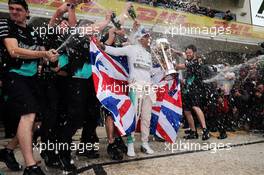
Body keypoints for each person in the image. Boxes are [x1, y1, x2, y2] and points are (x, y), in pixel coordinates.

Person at [0, 0, 58, 174]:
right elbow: (14, 51)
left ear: (27, 12)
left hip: (33, 80)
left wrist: (51, 57)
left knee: (34, 123)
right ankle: (30, 165)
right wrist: (43, 53)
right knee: (28, 115)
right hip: (14, 77)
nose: (14, 12)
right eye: (11, 9)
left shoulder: (33, 31)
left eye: (19, 9)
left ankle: (8, 150)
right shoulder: (5, 24)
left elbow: (42, 53)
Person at [99, 27, 155, 157]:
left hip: (148, 88)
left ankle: (144, 143)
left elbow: (150, 72)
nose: (148, 39)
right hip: (135, 88)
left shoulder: (148, 54)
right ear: (140, 38)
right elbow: (115, 51)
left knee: (147, 118)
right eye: (146, 36)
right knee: (133, 117)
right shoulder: (131, 48)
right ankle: (130, 144)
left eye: (149, 36)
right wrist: (102, 46)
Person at [175, 45, 210, 140]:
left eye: (189, 53)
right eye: (187, 53)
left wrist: (172, 66)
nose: (187, 54)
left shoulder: (196, 61)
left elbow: (180, 66)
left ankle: (205, 130)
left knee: (195, 107)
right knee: (186, 110)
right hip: (187, 89)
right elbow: (182, 54)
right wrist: (173, 51)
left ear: (194, 53)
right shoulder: (189, 59)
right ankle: (193, 132)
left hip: (196, 89)